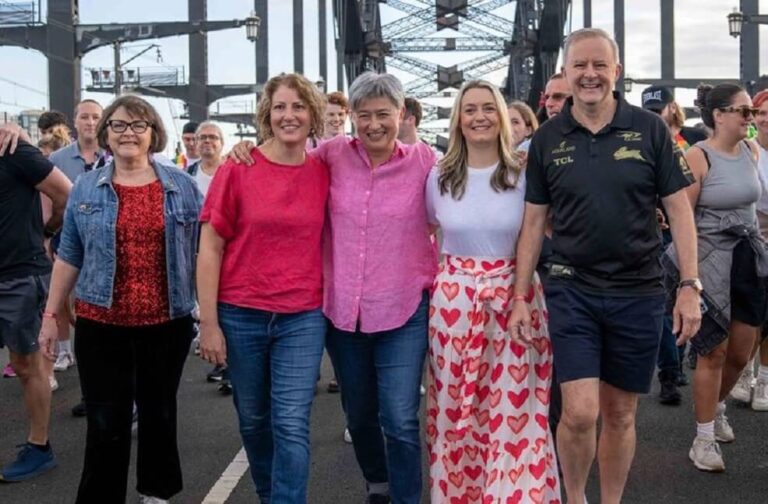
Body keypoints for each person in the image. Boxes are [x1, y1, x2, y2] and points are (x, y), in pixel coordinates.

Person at [509, 28, 701, 504]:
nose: (590, 74)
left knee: (620, 414)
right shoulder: (548, 138)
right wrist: (518, 296)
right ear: (567, 73)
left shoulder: (650, 130)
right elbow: (533, 223)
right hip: (572, 288)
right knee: (579, 411)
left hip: (638, 289)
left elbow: (678, 209)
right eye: (580, 66)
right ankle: (575, 497)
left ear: (616, 72)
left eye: (600, 66)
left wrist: (690, 285)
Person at [229, 71, 437, 504]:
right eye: (364, 116)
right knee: (359, 416)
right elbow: (283, 156)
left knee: (399, 418)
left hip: (403, 309)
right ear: (351, 119)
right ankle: (377, 482)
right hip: (346, 313)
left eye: (384, 114)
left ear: (402, 115)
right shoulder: (330, 155)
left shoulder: (425, 162)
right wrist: (248, 146)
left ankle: (405, 498)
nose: (374, 124)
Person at [38, 95, 202, 503]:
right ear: (107, 133)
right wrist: (50, 314)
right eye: (120, 125)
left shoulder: (182, 187)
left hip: (166, 323)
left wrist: (211, 315)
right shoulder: (86, 188)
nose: (129, 133)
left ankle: (157, 492)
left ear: (153, 134)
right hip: (101, 324)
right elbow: (69, 254)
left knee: (159, 413)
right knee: (105, 421)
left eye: (138, 125)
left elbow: (203, 251)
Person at [426, 79, 560, 502]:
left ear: (501, 116)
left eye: (488, 108)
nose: (479, 117)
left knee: (513, 412)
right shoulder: (439, 175)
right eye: (469, 110)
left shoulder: (523, 172)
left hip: (514, 296)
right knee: (454, 411)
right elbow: (431, 230)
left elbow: (536, 234)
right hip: (453, 304)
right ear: (458, 120)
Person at [198, 73, 329, 503]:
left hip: (302, 315)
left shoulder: (326, 170)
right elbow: (211, 247)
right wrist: (209, 323)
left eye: (298, 106)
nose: (288, 115)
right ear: (267, 115)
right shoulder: (239, 167)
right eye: (279, 107)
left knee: (290, 422)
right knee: (253, 420)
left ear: (313, 114)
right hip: (241, 312)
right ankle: (269, 495)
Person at [669, 84, 764, 472]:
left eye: (751, 112)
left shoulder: (751, 150)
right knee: (714, 351)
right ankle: (704, 437)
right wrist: (687, 280)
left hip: (747, 255)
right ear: (718, 115)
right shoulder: (697, 155)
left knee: (743, 350)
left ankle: (718, 406)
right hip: (709, 259)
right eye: (743, 111)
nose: (750, 118)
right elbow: (682, 218)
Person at [0, 125, 72, 482]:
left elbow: (66, 195)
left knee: (29, 366)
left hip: (20, 275)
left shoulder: (13, 149)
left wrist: (45, 233)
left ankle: (39, 447)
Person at [641, 85, 705, 405]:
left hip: (681, 228)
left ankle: (677, 361)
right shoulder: (642, 137)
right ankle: (668, 371)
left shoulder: (692, 139)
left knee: (682, 298)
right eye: (649, 110)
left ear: (671, 107)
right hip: (656, 229)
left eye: (659, 108)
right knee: (664, 310)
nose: (654, 114)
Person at [47, 99, 106, 417]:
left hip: (103, 254)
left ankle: (106, 389)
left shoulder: (113, 155)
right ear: (75, 121)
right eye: (84, 116)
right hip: (69, 251)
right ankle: (90, 392)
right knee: (77, 319)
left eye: (96, 117)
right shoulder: (56, 159)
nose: (91, 122)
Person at [731, 89, 768, 411]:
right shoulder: (748, 150)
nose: (766, 119)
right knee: (753, 316)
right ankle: (745, 372)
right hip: (754, 241)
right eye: (761, 114)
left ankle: (766, 379)